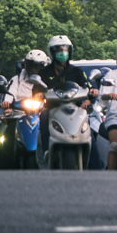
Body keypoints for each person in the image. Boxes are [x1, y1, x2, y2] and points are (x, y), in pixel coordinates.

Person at [36, 35, 96, 168]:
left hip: (75, 109)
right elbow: (37, 88)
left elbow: (86, 85)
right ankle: (46, 151)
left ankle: (95, 164)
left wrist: (92, 91)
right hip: (52, 109)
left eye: (65, 50)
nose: (63, 53)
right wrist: (38, 93)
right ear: (52, 52)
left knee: (88, 128)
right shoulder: (44, 72)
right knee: (43, 115)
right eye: (59, 50)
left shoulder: (77, 71)